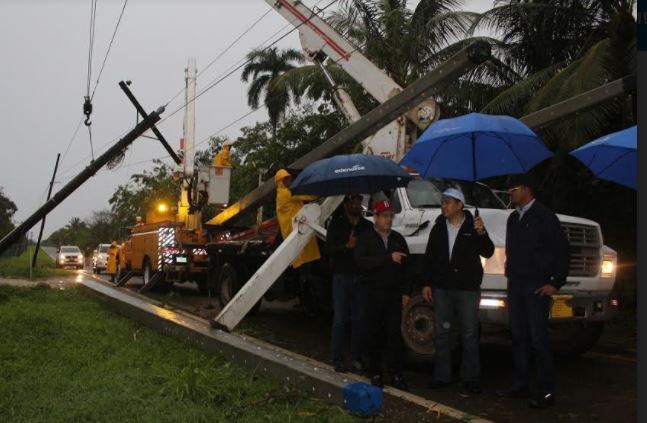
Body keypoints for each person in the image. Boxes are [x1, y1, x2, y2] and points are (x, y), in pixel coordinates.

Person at [496, 174, 570, 409]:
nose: (510, 194)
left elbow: (562, 251)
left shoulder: (545, 217)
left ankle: (547, 391)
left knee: (538, 340)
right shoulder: (512, 219)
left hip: (537, 287)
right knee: (519, 337)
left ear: (526, 189)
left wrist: (555, 283)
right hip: (516, 285)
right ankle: (520, 384)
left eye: (513, 190)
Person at [421, 187, 494, 397]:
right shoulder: (438, 227)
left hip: (467, 290)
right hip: (443, 288)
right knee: (442, 333)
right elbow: (430, 256)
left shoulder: (473, 225)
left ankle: (470, 379)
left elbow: (487, 251)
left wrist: (482, 233)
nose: (443, 205)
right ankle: (442, 376)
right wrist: (427, 282)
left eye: (447, 202)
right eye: (442, 202)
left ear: (460, 205)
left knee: (469, 334)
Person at [355, 199, 410, 390]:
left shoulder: (398, 239)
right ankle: (375, 372)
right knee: (374, 334)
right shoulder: (366, 238)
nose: (388, 220)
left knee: (394, 335)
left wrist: (406, 292)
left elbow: (406, 268)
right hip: (373, 294)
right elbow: (362, 262)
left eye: (390, 216)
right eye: (384, 216)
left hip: (393, 296)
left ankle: (395, 373)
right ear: (376, 217)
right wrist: (388, 258)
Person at [326, 193, 373, 373]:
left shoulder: (367, 226)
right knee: (340, 319)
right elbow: (329, 249)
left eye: (358, 200)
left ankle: (356, 357)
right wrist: (347, 247)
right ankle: (337, 358)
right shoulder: (337, 224)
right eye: (352, 200)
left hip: (360, 277)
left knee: (360, 319)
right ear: (345, 203)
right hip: (341, 276)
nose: (355, 203)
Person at [274, 169, 321, 312]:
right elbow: (303, 196)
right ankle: (306, 300)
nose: (289, 181)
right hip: (294, 233)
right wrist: (319, 193)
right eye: (286, 179)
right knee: (303, 270)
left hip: (298, 231)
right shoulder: (285, 193)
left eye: (289, 178)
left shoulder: (285, 192)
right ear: (280, 182)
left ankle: (304, 299)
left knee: (304, 269)